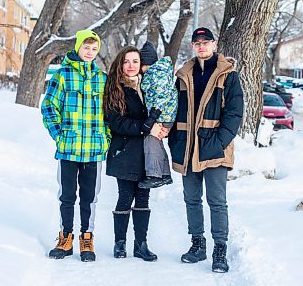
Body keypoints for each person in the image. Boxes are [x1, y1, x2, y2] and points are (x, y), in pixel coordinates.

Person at [168, 27, 244, 273]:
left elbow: (234, 113)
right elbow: (174, 111)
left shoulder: (227, 75)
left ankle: (219, 249)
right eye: (197, 42)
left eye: (206, 42)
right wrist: (175, 142)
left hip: (214, 149)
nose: (201, 46)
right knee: (191, 199)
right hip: (188, 149)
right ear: (192, 46)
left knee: (217, 201)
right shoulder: (183, 75)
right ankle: (197, 244)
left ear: (214, 44)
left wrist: (219, 142)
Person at [41, 29, 110, 262]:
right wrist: (59, 135)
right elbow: (49, 106)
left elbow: (110, 112)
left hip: (93, 149)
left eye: (93, 49)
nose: (89, 52)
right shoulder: (63, 75)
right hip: (69, 147)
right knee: (67, 195)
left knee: (90, 197)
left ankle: (86, 237)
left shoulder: (102, 78)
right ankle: (66, 236)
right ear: (78, 47)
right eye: (86, 47)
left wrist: (106, 138)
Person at [104, 46, 166, 261]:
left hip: (145, 153)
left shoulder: (148, 87)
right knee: (125, 197)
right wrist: (146, 126)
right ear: (121, 64)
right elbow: (116, 122)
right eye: (127, 61)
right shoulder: (115, 89)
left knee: (143, 197)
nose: (131, 66)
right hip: (125, 151)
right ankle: (119, 243)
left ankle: (141, 244)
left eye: (135, 62)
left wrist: (161, 127)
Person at [138, 41, 178, 189]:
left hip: (162, 115)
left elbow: (161, 96)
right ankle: (165, 174)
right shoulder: (158, 72)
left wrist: (153, 117)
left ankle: (154, 174)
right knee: (157, 143)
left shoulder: (156, 73)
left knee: (150, 139)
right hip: (164, 114)